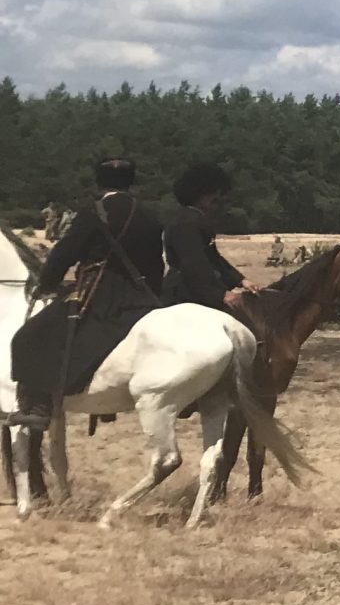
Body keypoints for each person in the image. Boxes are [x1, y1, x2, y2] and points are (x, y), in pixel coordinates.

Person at [6, 157, 166, 431]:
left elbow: (65, 253)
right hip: (143, 296)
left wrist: (47, 282)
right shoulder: (149, 216)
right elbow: (155, 265)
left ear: (100, 182)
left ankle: (39, 407)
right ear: (131, 181)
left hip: (100, 293)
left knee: (30, 336)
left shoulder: (94, 213)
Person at [163, 163, 251, 318]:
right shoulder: (186, 223)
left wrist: (241, 280)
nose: (217, 200)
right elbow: (194, 264)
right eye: (213, 196)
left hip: (199, 290)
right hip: (186, 294)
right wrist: (219, 295)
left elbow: (214, 258)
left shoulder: (195, 219)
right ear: (201, 196)